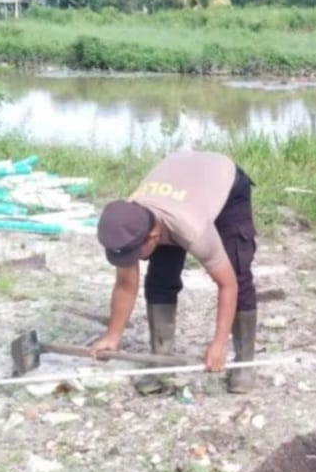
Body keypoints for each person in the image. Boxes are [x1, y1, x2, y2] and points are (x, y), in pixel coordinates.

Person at [92, 151, 258, 394]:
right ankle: (160, 361)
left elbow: (227, 284)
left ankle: (244, 364)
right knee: (159, 280)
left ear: (153, 237)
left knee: (237, 271)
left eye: (135, 253)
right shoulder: (130, 222)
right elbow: (126, 285)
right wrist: (112, 335)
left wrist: (219, 344)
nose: (132, 261)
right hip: (178, 186)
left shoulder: (192, 229)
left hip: (222, 179)